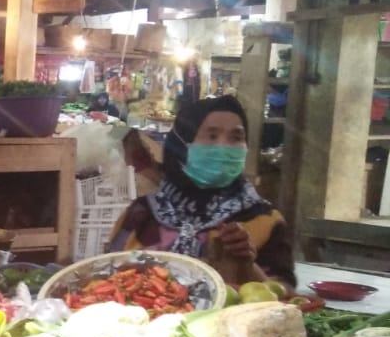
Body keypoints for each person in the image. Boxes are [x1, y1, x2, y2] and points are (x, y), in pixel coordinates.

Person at [109, 95, 295, 287]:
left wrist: (248, 267)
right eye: (212, 136)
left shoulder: (266, 221)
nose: (223, 146)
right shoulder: (142, 214)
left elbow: (285, 300)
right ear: (181, 145)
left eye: (236, 137)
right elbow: (108, 276)